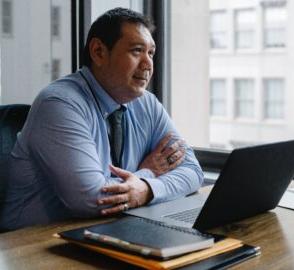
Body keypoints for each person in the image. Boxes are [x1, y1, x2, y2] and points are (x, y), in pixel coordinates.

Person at [0, 8, 203, 231]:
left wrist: (146, 189)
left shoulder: (148, 103)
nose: (148, 64)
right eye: (137, 51)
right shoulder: (59, 104)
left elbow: (193, 171)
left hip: (107, 231)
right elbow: (91, 199)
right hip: (32, 247)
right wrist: (149, 173)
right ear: (98, 52)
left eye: (151, 53)